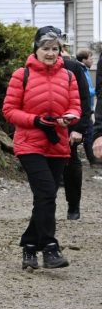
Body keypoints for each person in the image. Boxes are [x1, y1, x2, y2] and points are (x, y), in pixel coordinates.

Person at [3, 26, 80, 271]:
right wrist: (35, 120)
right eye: (45, 48)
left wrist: (70, 117)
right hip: (29, 143)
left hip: (57, 144)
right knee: (47, 192)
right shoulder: (21, 75)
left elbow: (76, 107)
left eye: (55, 49)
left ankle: (28, 246)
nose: (50, 53)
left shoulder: (68, 76)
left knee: (44, 197)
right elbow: (9, 111)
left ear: (60, 51)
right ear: (36, 49)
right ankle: (49, 246)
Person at [58, 41, 91, 220]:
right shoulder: (30, 68)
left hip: (69, 125)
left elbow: (84, 100)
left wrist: (79, 129)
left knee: (71, 164)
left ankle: (73, 205)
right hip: (43, 126)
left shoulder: (72, 68)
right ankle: (43, 207)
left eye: (55, 48)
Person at [76, 48, 97, 166]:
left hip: (87, 109)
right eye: (91, 58)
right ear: (84, 59)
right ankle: (93, 160)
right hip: (83, 109)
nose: (92, 60)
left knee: (89, 133)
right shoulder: (80, 70)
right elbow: (85, 91)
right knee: (89, 133)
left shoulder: (85, 69)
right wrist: (97, 90)